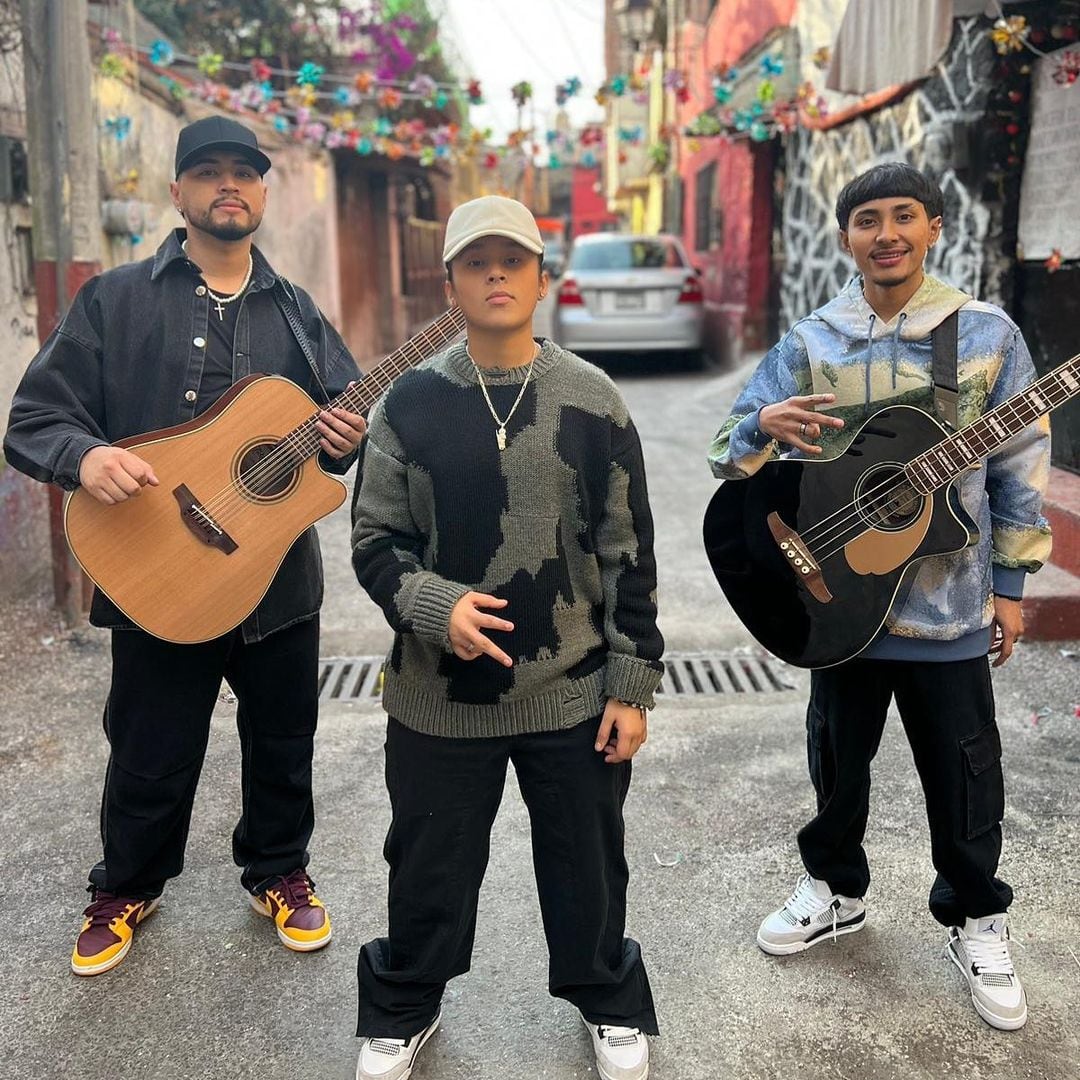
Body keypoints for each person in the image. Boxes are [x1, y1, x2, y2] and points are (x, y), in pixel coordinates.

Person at [4, 116, 366, 975]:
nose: (227, 185)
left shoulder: (299, 312)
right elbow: (33, 419)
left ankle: (278, 869)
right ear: (179, 192)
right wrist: (85, 456)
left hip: (273, 576)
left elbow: (349, 412)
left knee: (284, 737)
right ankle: (127, 884)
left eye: (244, 172)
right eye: (207, 171)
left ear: (264, 193)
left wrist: (347, 437)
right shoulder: (114, 300)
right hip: (154, 570)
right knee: (150, 743)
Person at [707, 162, 1050, 1032]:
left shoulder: (985, 335)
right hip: (835, 605)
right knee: (835, 762)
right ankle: (833, 888)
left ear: (934, 226)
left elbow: (1018, 467)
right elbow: (728, 445)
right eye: (867, 219)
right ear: (846, 236)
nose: (886, 233)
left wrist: (1010, 587)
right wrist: (761, 427)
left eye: (904, 216)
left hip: (951, 609)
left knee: (967, 774)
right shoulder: (815, 339)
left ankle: (976, 915)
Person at [350, 195, 664, 1080]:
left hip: (570, 688)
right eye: (477, 260)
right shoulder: (408, 403)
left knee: (589, 867)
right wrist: (429, 605)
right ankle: (402, 1008)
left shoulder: (592, 399)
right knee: (426, 868)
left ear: (540, 276)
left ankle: (608, 1002)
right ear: (449, 280)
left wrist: (631, 686)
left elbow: (627, 550)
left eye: (513, 259)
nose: (496, 273)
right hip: (436, 698)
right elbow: (374, 540)